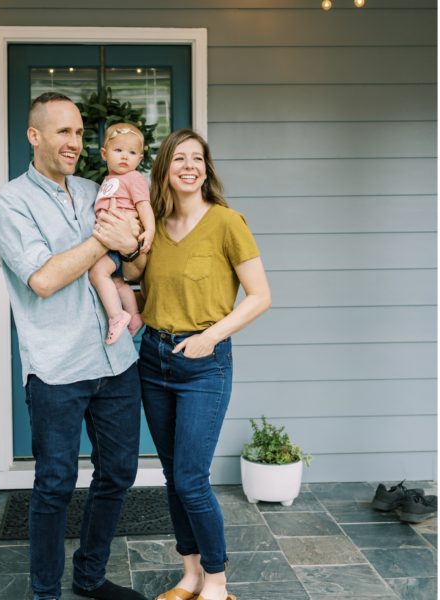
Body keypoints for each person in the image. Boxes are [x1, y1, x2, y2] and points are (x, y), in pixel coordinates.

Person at [0, 91, 148, 600]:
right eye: (63, 132)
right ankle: (45, 593)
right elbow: (42, 278)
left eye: (80, 133)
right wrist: (106, 241)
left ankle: (89, 576)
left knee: (119, 472)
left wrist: (133, 250)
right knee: (55, 483)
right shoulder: (12, 200)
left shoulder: (95, 188)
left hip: (115, 359)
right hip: (57, 365)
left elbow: (131, 261)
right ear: (34, 136)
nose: (75, 143)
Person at [130, 129, 272, 600]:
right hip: (153, 358)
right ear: (164, 168)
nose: (189, 166)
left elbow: (260, 297)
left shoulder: (227, 223)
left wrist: (209, 339)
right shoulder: (153, 228)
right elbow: (139, 284)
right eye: (179, 158)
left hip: (204, 364)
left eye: (198, 158)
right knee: (174, 476)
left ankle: (216, 580)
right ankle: (189, 574)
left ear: (206, 169)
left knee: (192, 478)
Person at [89, 123, 155, 345]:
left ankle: (117, 316)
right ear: (104, 154)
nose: (125, 157)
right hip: (111, 241)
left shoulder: (134, 178)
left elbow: (143, 205)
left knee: (98, 273)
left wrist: (150, 230)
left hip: (117, 241)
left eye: (132, 152)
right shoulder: (108, 180)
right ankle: (135, 316)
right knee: (118, 282)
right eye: (118, 151)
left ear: (140, 158)